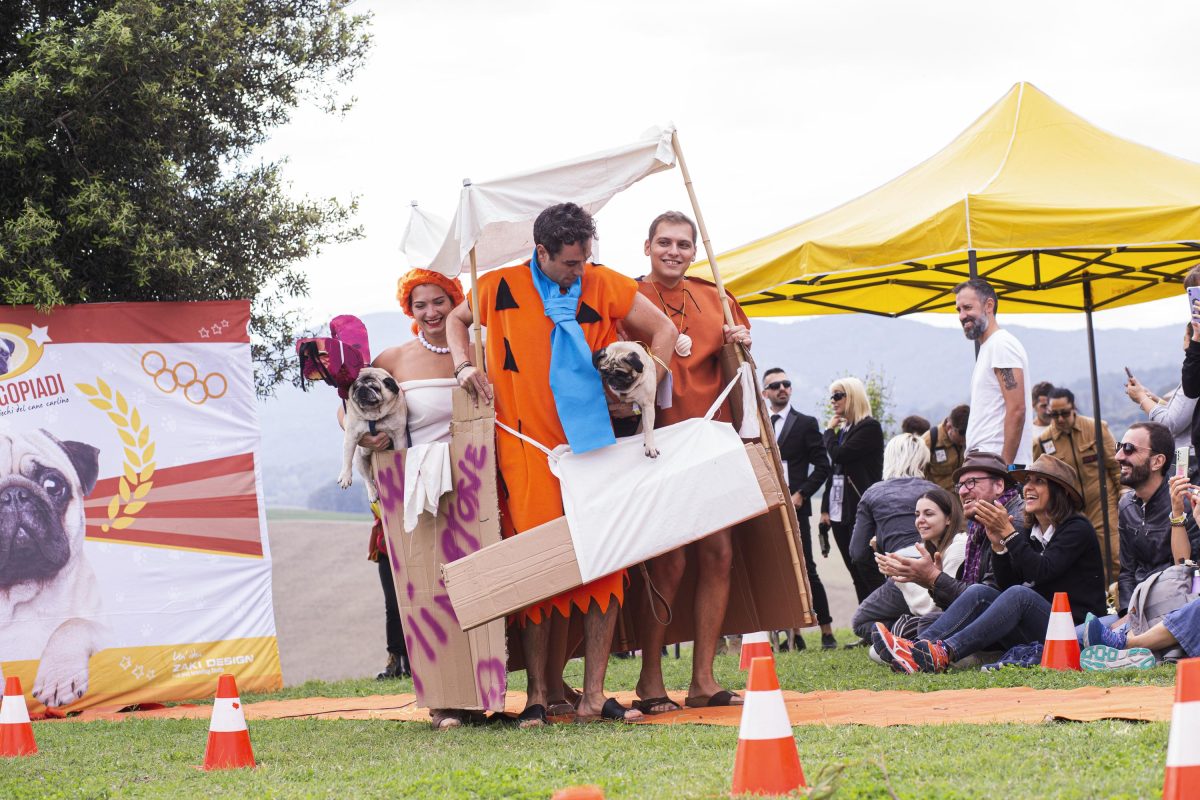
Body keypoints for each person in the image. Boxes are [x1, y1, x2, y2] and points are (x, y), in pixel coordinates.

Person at [448, 202, 676, 727]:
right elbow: (459, 321)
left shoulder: (604, 284)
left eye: (585, 259)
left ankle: (595, 696)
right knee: (538, 566)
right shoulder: (499, 285)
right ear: (543, 252)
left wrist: (647, 382)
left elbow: (661, 330)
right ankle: (536, 695)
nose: (581, 271)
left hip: (596, 444)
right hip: (528, 448)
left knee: (607, 563)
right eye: (572, 263)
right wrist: (463, 366)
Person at [631, 210, 754, 714]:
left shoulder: (716, 296)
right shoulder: (625, 295)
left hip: (712, 434)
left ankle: (703, 679)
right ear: (647, 246)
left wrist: (741, 343)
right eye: (665, 243)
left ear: (695, 249)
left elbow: (739, 367)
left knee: (718, 555)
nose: (674, 252)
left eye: (684, 244)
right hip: (656, 441)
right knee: (669, 559)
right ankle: (651, 678)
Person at [352, 268, 475, 727]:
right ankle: (443, 698)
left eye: (440, 302)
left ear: (455, 301)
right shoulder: (396, 357)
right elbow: (352, 405)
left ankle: (485, 686)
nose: (431, 313)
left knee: (477, 586)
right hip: (417, 484)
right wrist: (370, 438)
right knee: (428, 589)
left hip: (475, 478)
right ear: (409, 309)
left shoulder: (475, 348)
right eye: (420, 305)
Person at [876, 455, 1106, 674]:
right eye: (1027, 481)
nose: (1027, 487)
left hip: (1072, 628)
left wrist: (1009, 534)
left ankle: (944, 652)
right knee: (981, 592)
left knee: (1020, 595)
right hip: (1040, 626)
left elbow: (1041, 572)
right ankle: (915, 650)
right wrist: (999, 547)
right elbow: (1007, 584)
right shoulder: (1030, 530)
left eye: (1039, 482)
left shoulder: (1076, 528)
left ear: (1061, 491)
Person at [868, 451, 1025, 662]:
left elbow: (988, 596)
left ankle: (915, 651)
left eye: (972, 482)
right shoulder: (978, 529)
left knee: (938, 616)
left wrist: (933, 578)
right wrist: (930, 581)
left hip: (1014, 626)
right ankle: (915, 650)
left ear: (999, 486)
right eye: (960, 486)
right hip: (997, 620)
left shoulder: (1010, 522)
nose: (964, 491)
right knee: (918, 623)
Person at [762, 366, 835, 651]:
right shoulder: (758, 425)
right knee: (776, 571)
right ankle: (790, 635)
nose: (782, 388)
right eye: (775, 385)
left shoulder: (805, 423)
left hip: (797, 508)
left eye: (786, 384)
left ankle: (827, 631)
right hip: (767, 508)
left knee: (807, 568)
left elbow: (823, 465)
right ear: (765, 393)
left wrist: (802, 493)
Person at [851, 487, 966, 644]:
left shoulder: (958, 548)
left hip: (942, 619)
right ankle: (902, 637)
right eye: (917, 515)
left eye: (929, 514)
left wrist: (907, 576)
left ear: (949, 519)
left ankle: (902, 639)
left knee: (871, 632)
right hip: (917, 603)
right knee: (860, 622)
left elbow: (939, 609)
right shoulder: (927, 547)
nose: (920, 520)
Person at [1032, 386, 1122, 578]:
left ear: (1073, 407)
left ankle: (1119, 602)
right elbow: (1039, 480)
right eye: (1055, 415)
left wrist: (1123, 494)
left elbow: (1115, 467)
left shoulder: (1096, 428)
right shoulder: (1042, 442)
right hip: (1069, 512)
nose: (1061, 419)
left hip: (1102, 505)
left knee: (1112, 555)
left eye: (1064, 413)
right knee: (1081, 563)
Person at [1113, 422, 1200, 617]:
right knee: (1078, 638)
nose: (1118, 456)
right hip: (1136, 609)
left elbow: (1190, 570)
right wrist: (1128, 613)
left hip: (1174, 612)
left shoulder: (1187, 504)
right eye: (1119, 447)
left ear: (1157, 461)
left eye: (1128, 449)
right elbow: (1127, 572)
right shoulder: (1126, 505)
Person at [820, 377, 884, 609]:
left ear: (852, 397)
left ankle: (884, 622)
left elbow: (839, 455)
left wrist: (828, 431)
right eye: (832, 396)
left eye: (838, 395)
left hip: (861, 508)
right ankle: (867, 623)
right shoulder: (845, 430)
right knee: (854, 569)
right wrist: (825, 508)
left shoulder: (869, 428)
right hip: (840, 508)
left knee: (866, 564)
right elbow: (834, 471)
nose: (833, 401)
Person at [955, 278, 1033, 468]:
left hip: (995, 461)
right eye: (958, 310)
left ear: (989, 305)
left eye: (967, 307)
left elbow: (1017, 409)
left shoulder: (1001, 345)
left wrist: (1004, 466)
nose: (962, 316)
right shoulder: (990, 347)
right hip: (987, 460)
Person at [849, 433, 938, 596]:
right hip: (936, 580)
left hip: (897, 579)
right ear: (921, 460)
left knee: (862, 619)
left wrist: (883, 578)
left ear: (889, 458)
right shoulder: (936, 492)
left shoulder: (873, 493)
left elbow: (858, 553)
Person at [1126, 325, 1199, 450]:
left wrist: (1141, 398)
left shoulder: (1194, 374)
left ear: (1192, 339)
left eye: (1184, 338)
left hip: (1189, 461)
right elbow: (1186, 413)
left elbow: (1170, 424)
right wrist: (1154, 400)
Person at [922, 404, 969, 493]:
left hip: (961, 495)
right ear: (949, 427)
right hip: (938, 498)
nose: (963, 443)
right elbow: (918, 477)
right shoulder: (929, 442)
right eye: (960, 441)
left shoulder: (970, 438)